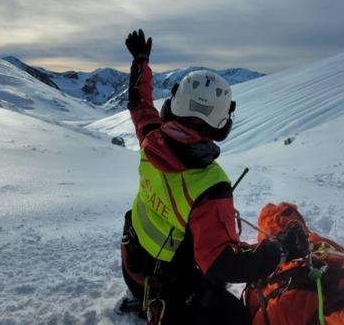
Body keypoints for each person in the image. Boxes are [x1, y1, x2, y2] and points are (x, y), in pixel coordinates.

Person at [120, 29, 293, 325]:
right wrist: (279, 250)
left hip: (133, 266)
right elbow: (221, 264)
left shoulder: (152, 138)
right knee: (239, 318)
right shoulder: (211, 186)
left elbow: (139, 102)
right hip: (166, 287)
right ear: (220, 125)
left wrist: (140, 62)